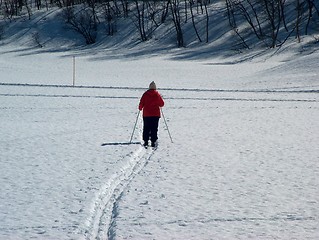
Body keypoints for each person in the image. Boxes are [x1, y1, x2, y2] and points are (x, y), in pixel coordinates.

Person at [138, 81, 165, 147]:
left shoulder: (145, 94)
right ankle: (153, 141)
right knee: (154, 128)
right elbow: (162, 104)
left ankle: (146, 141)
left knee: (146, 127)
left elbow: (141, 103)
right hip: (155, 115)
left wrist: (140, 108)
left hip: (146, 114)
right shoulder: (157, 94)